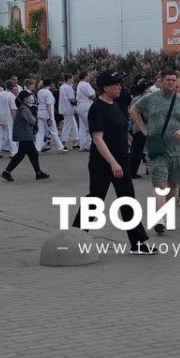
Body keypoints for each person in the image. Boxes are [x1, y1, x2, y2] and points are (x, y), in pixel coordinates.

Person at [71, 70, 156, 254]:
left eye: (120, 83)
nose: (120, 87)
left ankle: (138, 243)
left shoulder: (115, 104)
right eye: (116, 84)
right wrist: (113, 163)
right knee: (95, 200)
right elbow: (98, 139)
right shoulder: (97, 108)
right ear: (105, 87)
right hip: (103, 163)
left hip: (122, 160)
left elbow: (120, 127)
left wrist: (129, 140)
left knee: (127, 200)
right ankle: (75, 237)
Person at [130, 69, 180, 235]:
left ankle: (167, 216)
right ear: (160, 80)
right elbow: (133, 110)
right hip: (157, 149)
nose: (171, 83)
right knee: (160, 185)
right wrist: (143, 128)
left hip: (177, 150)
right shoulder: (150, 98)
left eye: (174, 80)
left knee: (173, 186)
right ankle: (159, 219)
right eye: (168, 80)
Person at [1, 89, 49, 181]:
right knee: (21, 155)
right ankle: (7, 172)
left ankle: (38, 172)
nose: (30, 98)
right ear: (25, 98)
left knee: (32, 153)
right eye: (28, 96)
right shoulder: (24, 108)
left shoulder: (23, 107)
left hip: (25, 134)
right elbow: (32, 121)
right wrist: (34, 114)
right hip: (24, 135)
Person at [36, 78, 66, 152]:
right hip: (47, 115)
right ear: (49, 84)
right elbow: (48, 105)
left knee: (41, 131)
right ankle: (60, 147)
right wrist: (51, 117)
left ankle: (37, 148)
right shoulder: (48, 93)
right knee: (53, 131)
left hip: (40, 113)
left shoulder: (39, 92)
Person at [0, 80, 18, 159]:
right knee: (11, 135)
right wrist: (15, 119)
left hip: (0, 116)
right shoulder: (11, 96)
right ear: (12, 86)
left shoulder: (0, 94)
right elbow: (13, 109)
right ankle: (13, 152)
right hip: (8, 117)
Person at [74, 71, 95, 151]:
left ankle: (82, 145)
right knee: (90, 125)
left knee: (82, 127)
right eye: (88, 75)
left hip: (80, 106)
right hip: (87, 106)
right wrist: (94, 93)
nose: (89, 77)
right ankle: (89, 145)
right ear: (85, 76)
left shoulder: (80, 84)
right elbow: (92, 96)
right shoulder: (86, 84)